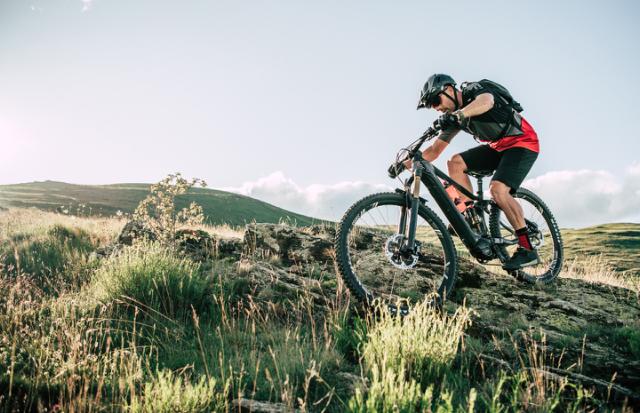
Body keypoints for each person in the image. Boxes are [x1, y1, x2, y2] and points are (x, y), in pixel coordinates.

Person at [408, 73, 540, 270]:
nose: (436, 108)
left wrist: (458, 115)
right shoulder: (454, 117)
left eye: (436, 101)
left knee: (498, 190)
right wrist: (406, 163)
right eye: (432, 106)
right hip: (497, 147)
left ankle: (527, 249)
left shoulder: (474, 90)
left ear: (449, 90)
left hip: (523, 142)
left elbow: (486, 102)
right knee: (455, 163)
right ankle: (472, 218)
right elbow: (434, 151)